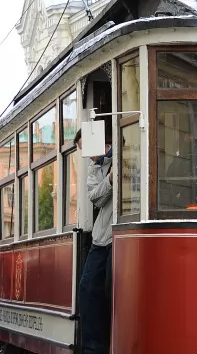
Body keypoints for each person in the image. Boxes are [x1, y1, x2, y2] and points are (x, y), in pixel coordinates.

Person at [74, 129, 113, 354]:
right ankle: (94, 349)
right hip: (101, 238)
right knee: (87, 288)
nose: (86, 153)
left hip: (115, 234)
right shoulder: (94, 168)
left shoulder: (122, 155)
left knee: (110, 287)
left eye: (85, 146)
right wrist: (110, 178)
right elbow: (95, 198)